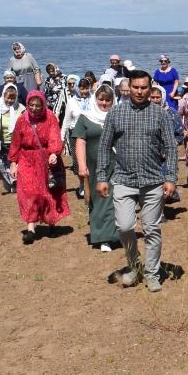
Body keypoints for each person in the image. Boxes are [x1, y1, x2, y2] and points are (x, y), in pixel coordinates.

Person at [96, 70, 178, 293]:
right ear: (128, 88)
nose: (140, 91)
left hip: (153, 180)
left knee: (152, 229)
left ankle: (152, 273)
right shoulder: (116, 113)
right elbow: (104, 146)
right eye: (136, 87)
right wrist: (101, 177)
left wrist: (170, 177)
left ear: (150, 88)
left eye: (144, 87)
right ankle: (134, 265)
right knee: (124, 227)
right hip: (123, 179)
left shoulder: (159, 115)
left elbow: (171, 147)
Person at [8, 90, 68, 243]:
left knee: (48, 192)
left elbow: (55, 136)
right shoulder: (22, 120)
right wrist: (13, 163)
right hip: (26, 159)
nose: (34, 108)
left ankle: (52, 223)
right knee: (29, 193)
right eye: (31, 105)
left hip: (46, 159)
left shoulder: (50, 117)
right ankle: (31, 229)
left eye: (37, 105)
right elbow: (16, 142)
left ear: (43, 104)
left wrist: (54, 153)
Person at [72, 85, 120, 252]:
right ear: (95, 99)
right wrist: (82, 165)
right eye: (101, 99)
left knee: (114, 199)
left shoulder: (117, 116)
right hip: (93, 165)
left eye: (108, 100)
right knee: (98, 199)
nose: (104, 103)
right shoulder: (85, 117)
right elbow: (80, 141)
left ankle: (111, 236)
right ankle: (102, 236)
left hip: (115, 163)